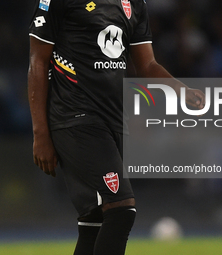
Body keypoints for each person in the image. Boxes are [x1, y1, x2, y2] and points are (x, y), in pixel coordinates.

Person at [28, 0, 205, 254]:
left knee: (94, 222)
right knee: (121, 209)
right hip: (75, 117)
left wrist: (181, 90)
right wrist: (40, 133)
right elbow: (37, 62)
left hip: (113, 122)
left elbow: (147, 65)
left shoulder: (134, 3)